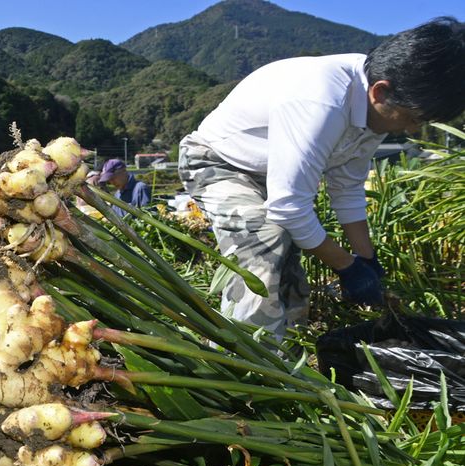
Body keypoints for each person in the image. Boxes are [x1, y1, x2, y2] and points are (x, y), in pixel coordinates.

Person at [178, 17, 465, 340]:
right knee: (264, 241)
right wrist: (347, 267)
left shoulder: (377, 106)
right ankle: (246, 358)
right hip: (219, 162)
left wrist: (367, 260)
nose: (412, 129)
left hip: (271, 174)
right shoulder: (322, 98)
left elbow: (348, 189)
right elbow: (288, 207)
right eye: (413, 119)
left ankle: (291, 347)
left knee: (288, 261)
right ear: (380, 92)